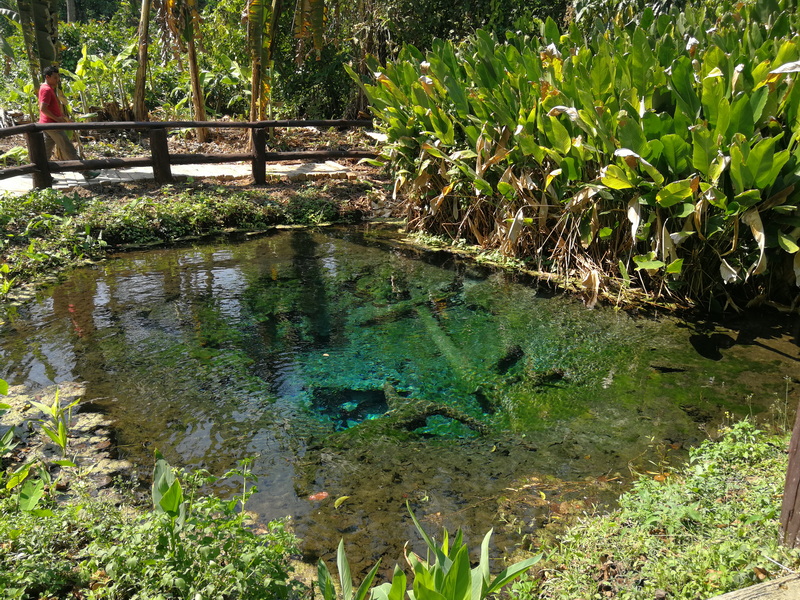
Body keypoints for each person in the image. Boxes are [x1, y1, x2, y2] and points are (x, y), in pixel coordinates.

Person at [38, 65, 99, 179]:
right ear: (47, 77)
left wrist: (64, 117)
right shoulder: (46, 89)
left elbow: (50, 109)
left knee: (45, 153)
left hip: (46, 124)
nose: (58, 80)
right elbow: (43, 108)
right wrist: (57, 120)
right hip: (52, 126)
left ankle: (41, 176)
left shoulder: (45, 88)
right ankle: (85, 171)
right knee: (68, 149)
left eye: (58, 77)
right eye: (55, 78)